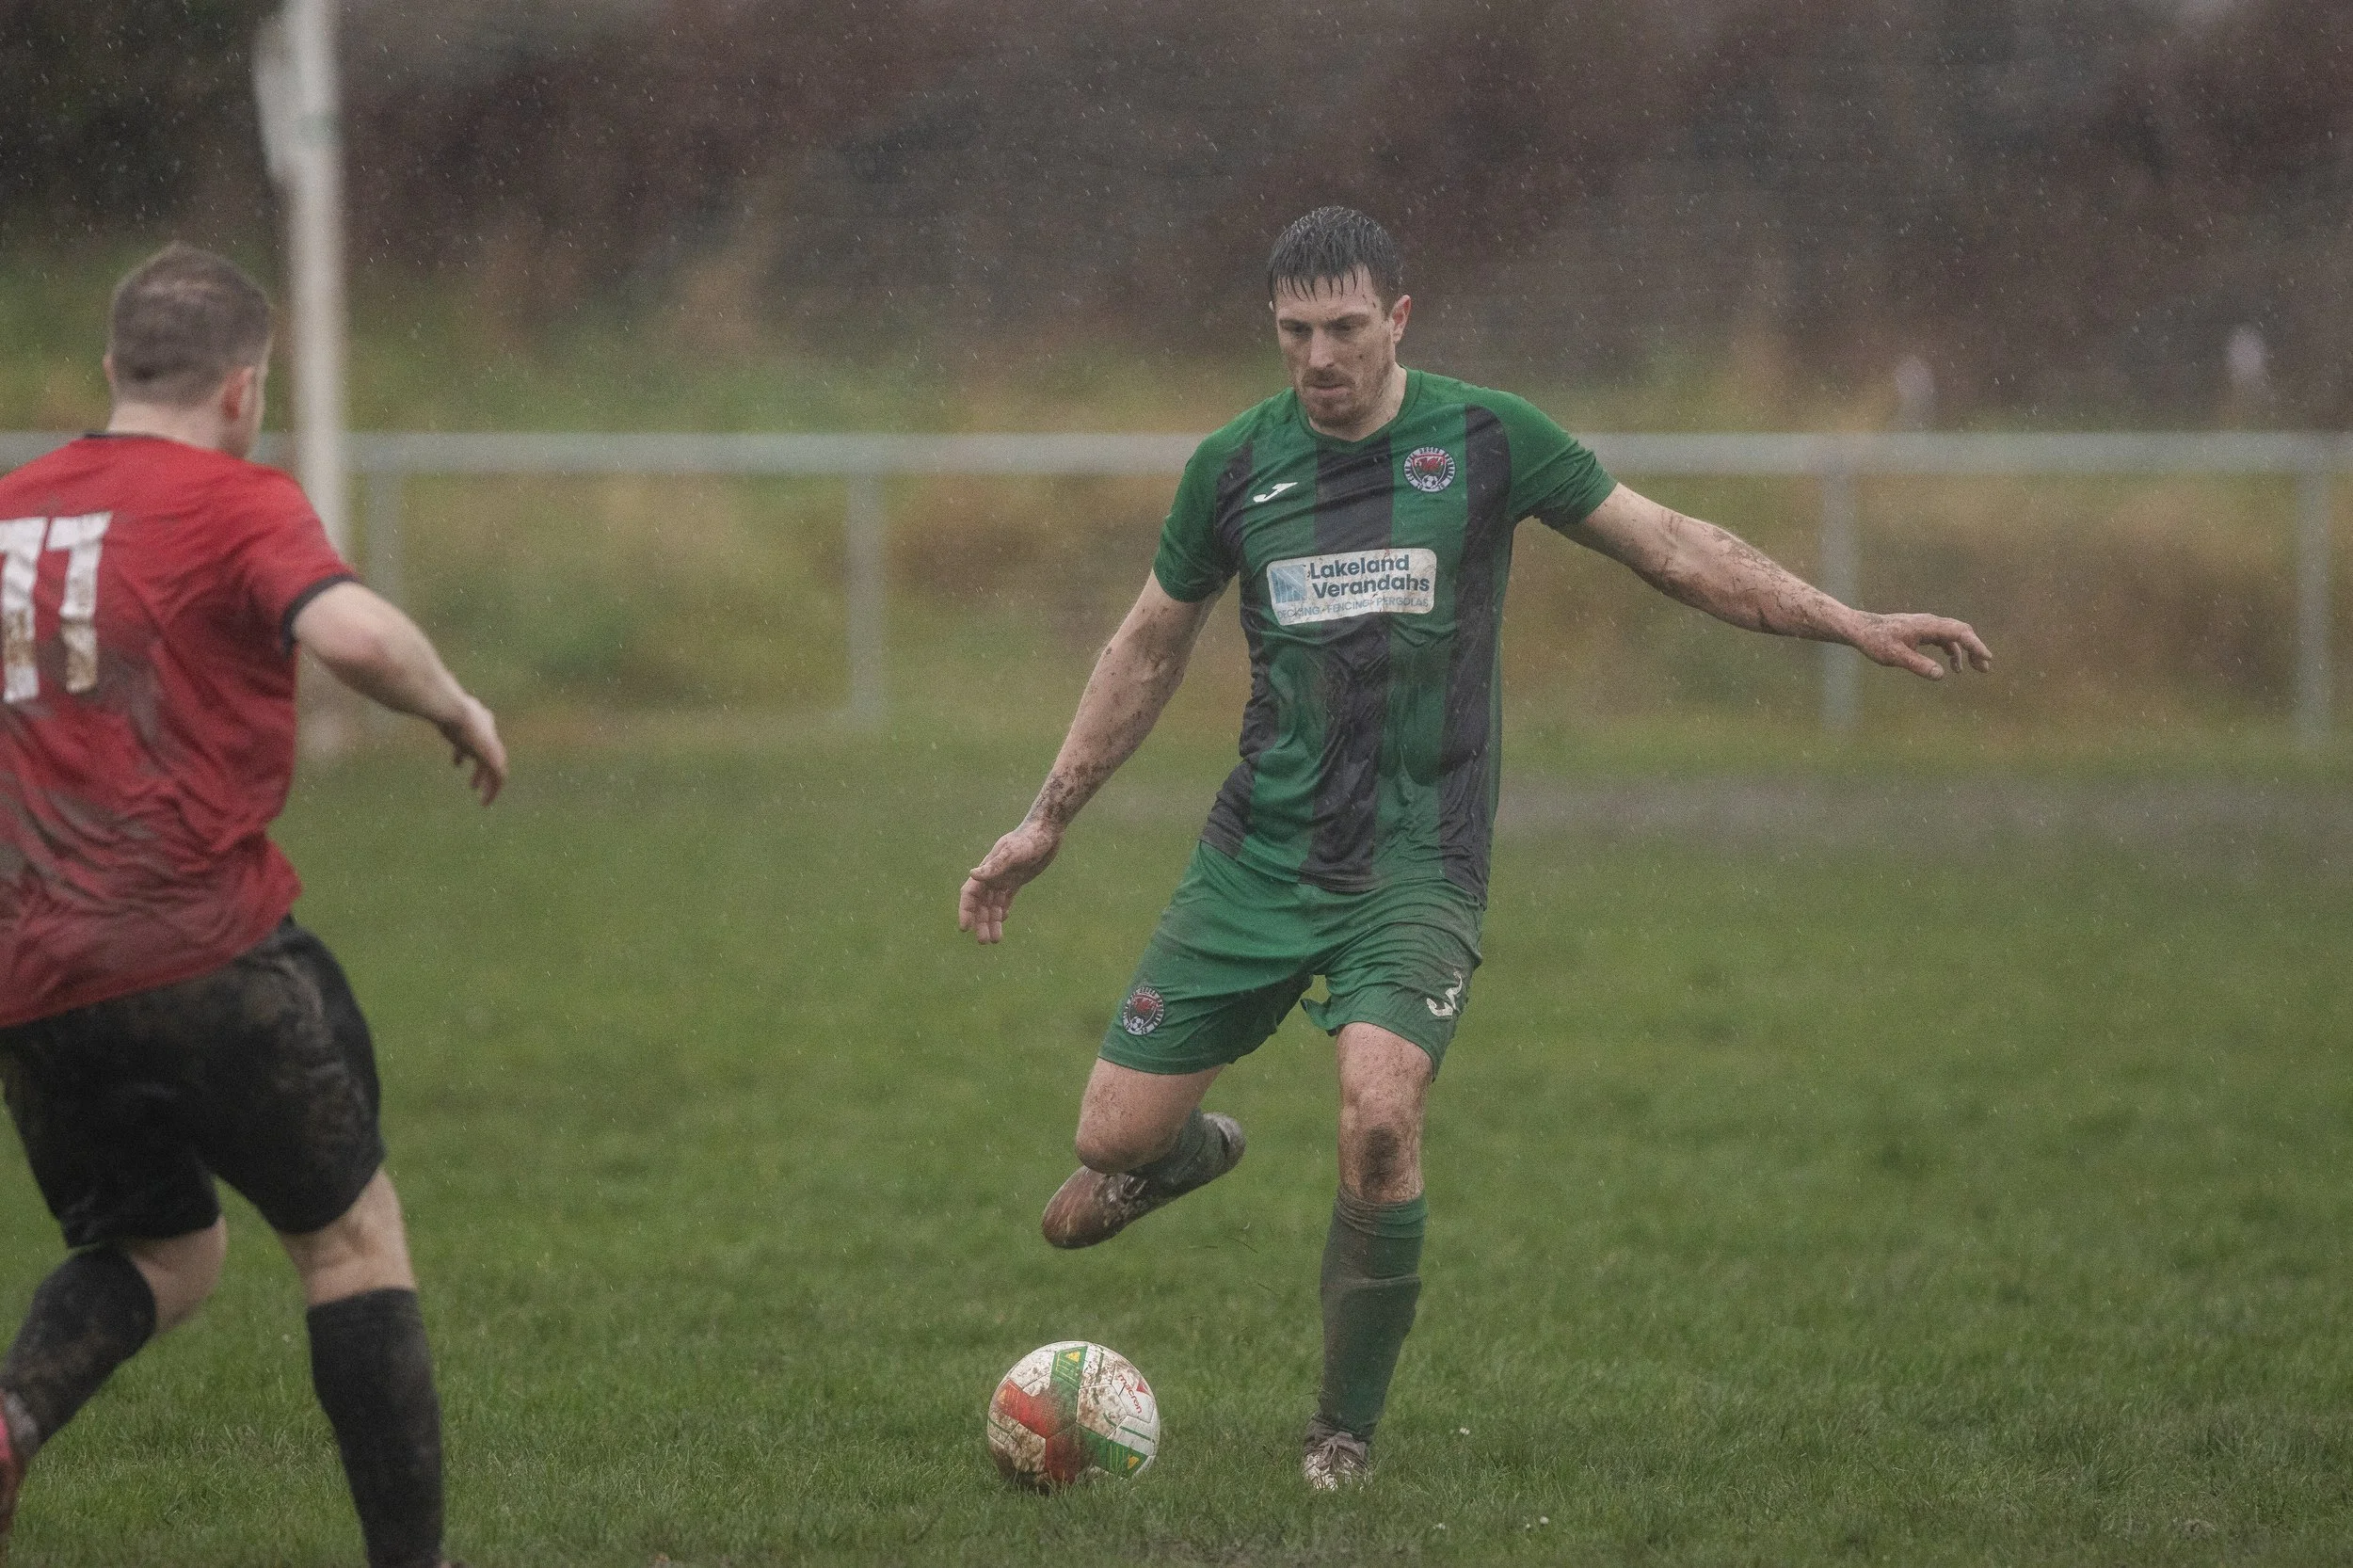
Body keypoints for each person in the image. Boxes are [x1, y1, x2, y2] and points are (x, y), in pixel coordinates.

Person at [957, 206, 1992, 1490]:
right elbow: (1146, 646)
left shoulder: (1490, 438)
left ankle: (1341, 1432)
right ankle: (1180, 1153)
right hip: (1259, 860)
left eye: (1344, 328)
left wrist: (1850, 618)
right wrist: (1044, 818)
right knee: (1102, 1147)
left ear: (1400, 317)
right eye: (1294, 333)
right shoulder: (1232, 466)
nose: (1319, 356)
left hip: (1415, 864)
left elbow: (1674, 545)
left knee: (1381, 1118)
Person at [0, 244, 504, 1567]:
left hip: (36, 980)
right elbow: (351, 637)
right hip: (200, 948)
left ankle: (9, 1415)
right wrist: (455, 704)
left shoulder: (11, 511)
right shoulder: (234, 498)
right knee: (347, 1240)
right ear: (244, 388)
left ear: (111, 370)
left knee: (166, 1249)